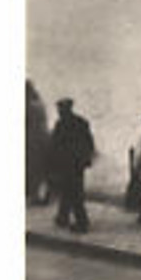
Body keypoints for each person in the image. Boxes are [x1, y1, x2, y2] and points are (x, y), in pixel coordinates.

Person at [46, 98, 95, 233]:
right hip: (78, 164)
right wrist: (87, 160)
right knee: (71, 190)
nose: (59, 112)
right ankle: (62, 217)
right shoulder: (82, 122)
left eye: (60, 109)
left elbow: (54, 146)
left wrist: (51, 164)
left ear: (63, 110)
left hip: (66, 165)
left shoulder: (61, 125)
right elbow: (89, 143)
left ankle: (82, 222)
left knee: (73, 192)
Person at [25, 81, 49, 206]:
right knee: (38, 171)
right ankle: (38, 195)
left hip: (32, 142)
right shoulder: (39, 104)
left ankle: (35, 196)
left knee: (33, 170)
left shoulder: (30, 106)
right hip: (41, 141)